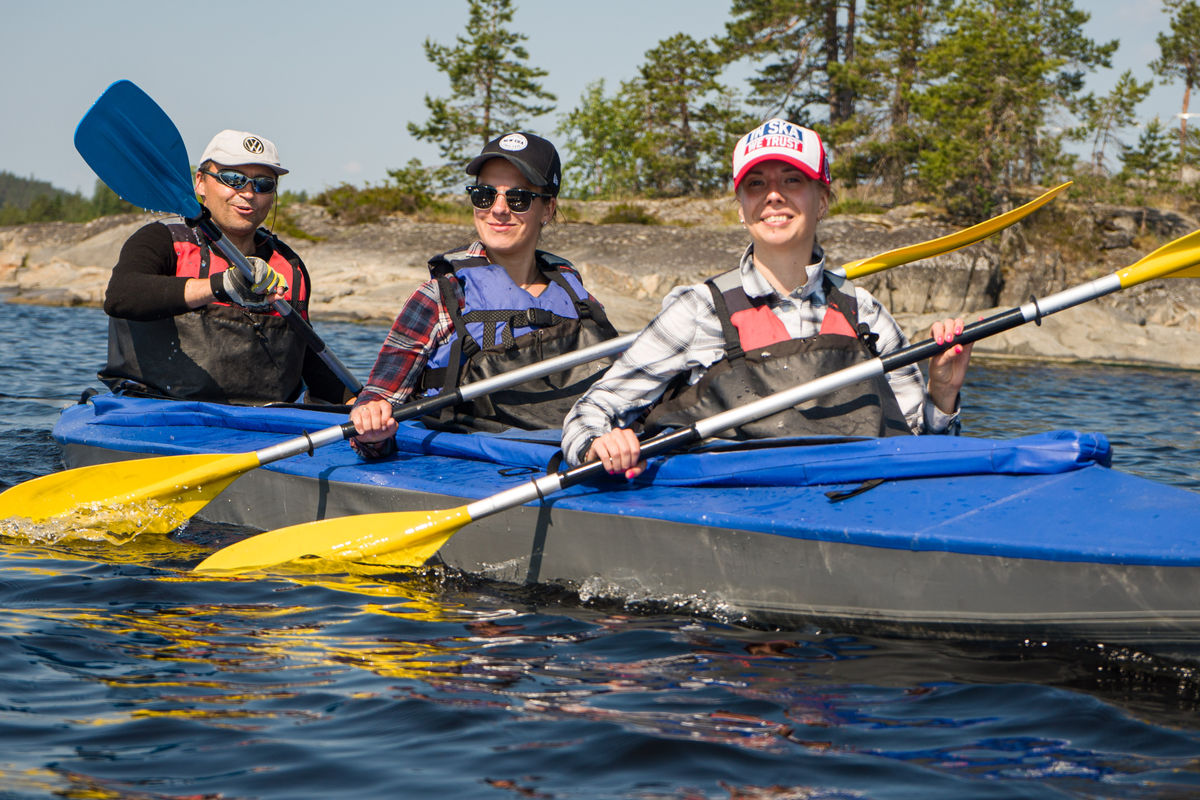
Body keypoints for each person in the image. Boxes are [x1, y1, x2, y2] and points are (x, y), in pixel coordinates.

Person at [561, 118, 973, 478]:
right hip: (729, 519)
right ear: (742, 208)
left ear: (823, 200)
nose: (773, 196)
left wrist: (942, 393)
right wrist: (600, 445)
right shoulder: (699, 309)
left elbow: (920, 449)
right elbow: (590, 411)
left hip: (850, 506)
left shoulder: (865, 314)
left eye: (792, 180)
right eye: (756, 185)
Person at [350, 132, 618, 456]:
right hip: (466, 468)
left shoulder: (578, 300)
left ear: (548, 208)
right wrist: (371, 427)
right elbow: (374, 412)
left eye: (518, 198)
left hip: (564, 458)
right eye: (484, 195)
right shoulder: (440, 298)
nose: (499, 209)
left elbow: (621, 394)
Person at [100, 129, 348, 405]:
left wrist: (358, 404)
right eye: (233, 179)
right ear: (201, 183)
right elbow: (122, 296)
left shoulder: (288, 265)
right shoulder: (161, 240)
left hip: (260, 424)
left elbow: (308, 360)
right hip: (159, 411)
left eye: (263, 184)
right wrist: (222, 286)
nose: (249, 193)